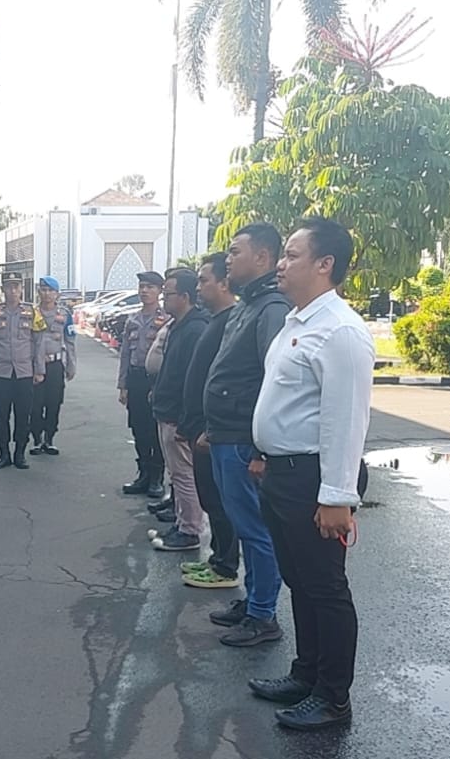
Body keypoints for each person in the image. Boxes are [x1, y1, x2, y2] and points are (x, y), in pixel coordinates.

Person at [249, 219, 374, 731]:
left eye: (292, 255)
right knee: (299, 581)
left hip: (315, 479)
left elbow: (346, 420)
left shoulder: (340, 330)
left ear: (325, 264)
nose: (281, 264)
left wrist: (337, 497)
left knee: (325, 588)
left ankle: (333, 698)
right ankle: (306, 674)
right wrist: (264, 454)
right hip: (284, 473)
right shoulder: (297, 322)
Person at [203, 224, 289, 647]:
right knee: (243, 524)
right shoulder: (248, 305)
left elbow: (272, 381)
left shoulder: (271, 308)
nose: (228, 258)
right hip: (225, 433)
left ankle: (262, 615)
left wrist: (259, 449)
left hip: (242, 438)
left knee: (256, 530)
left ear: (262, 257)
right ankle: (254, 600)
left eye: (236, 251)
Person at [178, 254, 240, 589]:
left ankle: (226, 566)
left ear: (224, 283)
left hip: (211, 432)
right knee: (210, 499)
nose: (198, 287)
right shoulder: (215, 320)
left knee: (220, 502)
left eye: (204, 280)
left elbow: (228, 383)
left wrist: (208, 427)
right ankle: (217, 558)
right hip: (199, 429)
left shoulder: (232, 323)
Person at [149, 269, 209, 551]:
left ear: (184, 296)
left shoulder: (196, 329)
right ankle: (182, 522)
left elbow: (191, 379)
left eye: (168, 294)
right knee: (177, 474)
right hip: (167, 409)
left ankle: (189, 531)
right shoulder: (180, 326)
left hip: (178, 415)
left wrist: (186, 418)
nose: (164, 300)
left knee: (184, 474)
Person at [0, 271, 47, 469]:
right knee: (1, 415)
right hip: (0, 372)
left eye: (16, 286)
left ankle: (20, 453)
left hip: (24, 372)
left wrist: (39, 369)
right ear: (3, 289)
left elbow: (39, 342)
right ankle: (4, 453)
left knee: (23, 415)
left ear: (21, 289)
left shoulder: (32, 312)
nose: (13, 291)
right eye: (9, 287)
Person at [117, 271, 169, 497]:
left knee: (155, 429)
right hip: (136, 378)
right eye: (142, 286)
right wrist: (123, 385)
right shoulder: (132, 320)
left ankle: (157, 477)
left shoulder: (167, 319)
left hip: (156, 380)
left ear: (160, 291)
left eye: (150, 287)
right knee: (138, 428)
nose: (144, 291)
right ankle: (144, 473)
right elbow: (125, 354)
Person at [29, 275, 77, 456]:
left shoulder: (64, 315)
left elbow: (70, 341)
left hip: (55, 365)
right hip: (35, 365)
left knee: (54, 403)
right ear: (38, 292)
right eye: (43, 290)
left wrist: (71, 365)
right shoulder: (31, 313)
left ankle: (49, 439)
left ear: (57, 294)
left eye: (51, 290)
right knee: (35, 405)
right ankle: (37, 439)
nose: (47, 294)